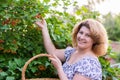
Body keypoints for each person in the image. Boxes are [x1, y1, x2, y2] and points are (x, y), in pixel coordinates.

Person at [35, 18, 108, 80]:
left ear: (95, 40)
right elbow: (53, 52)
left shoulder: (90, 63)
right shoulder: (73, 52)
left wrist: (59, 68)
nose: (81, 37)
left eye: (87, 35)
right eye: (81, 32)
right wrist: (44, 29)